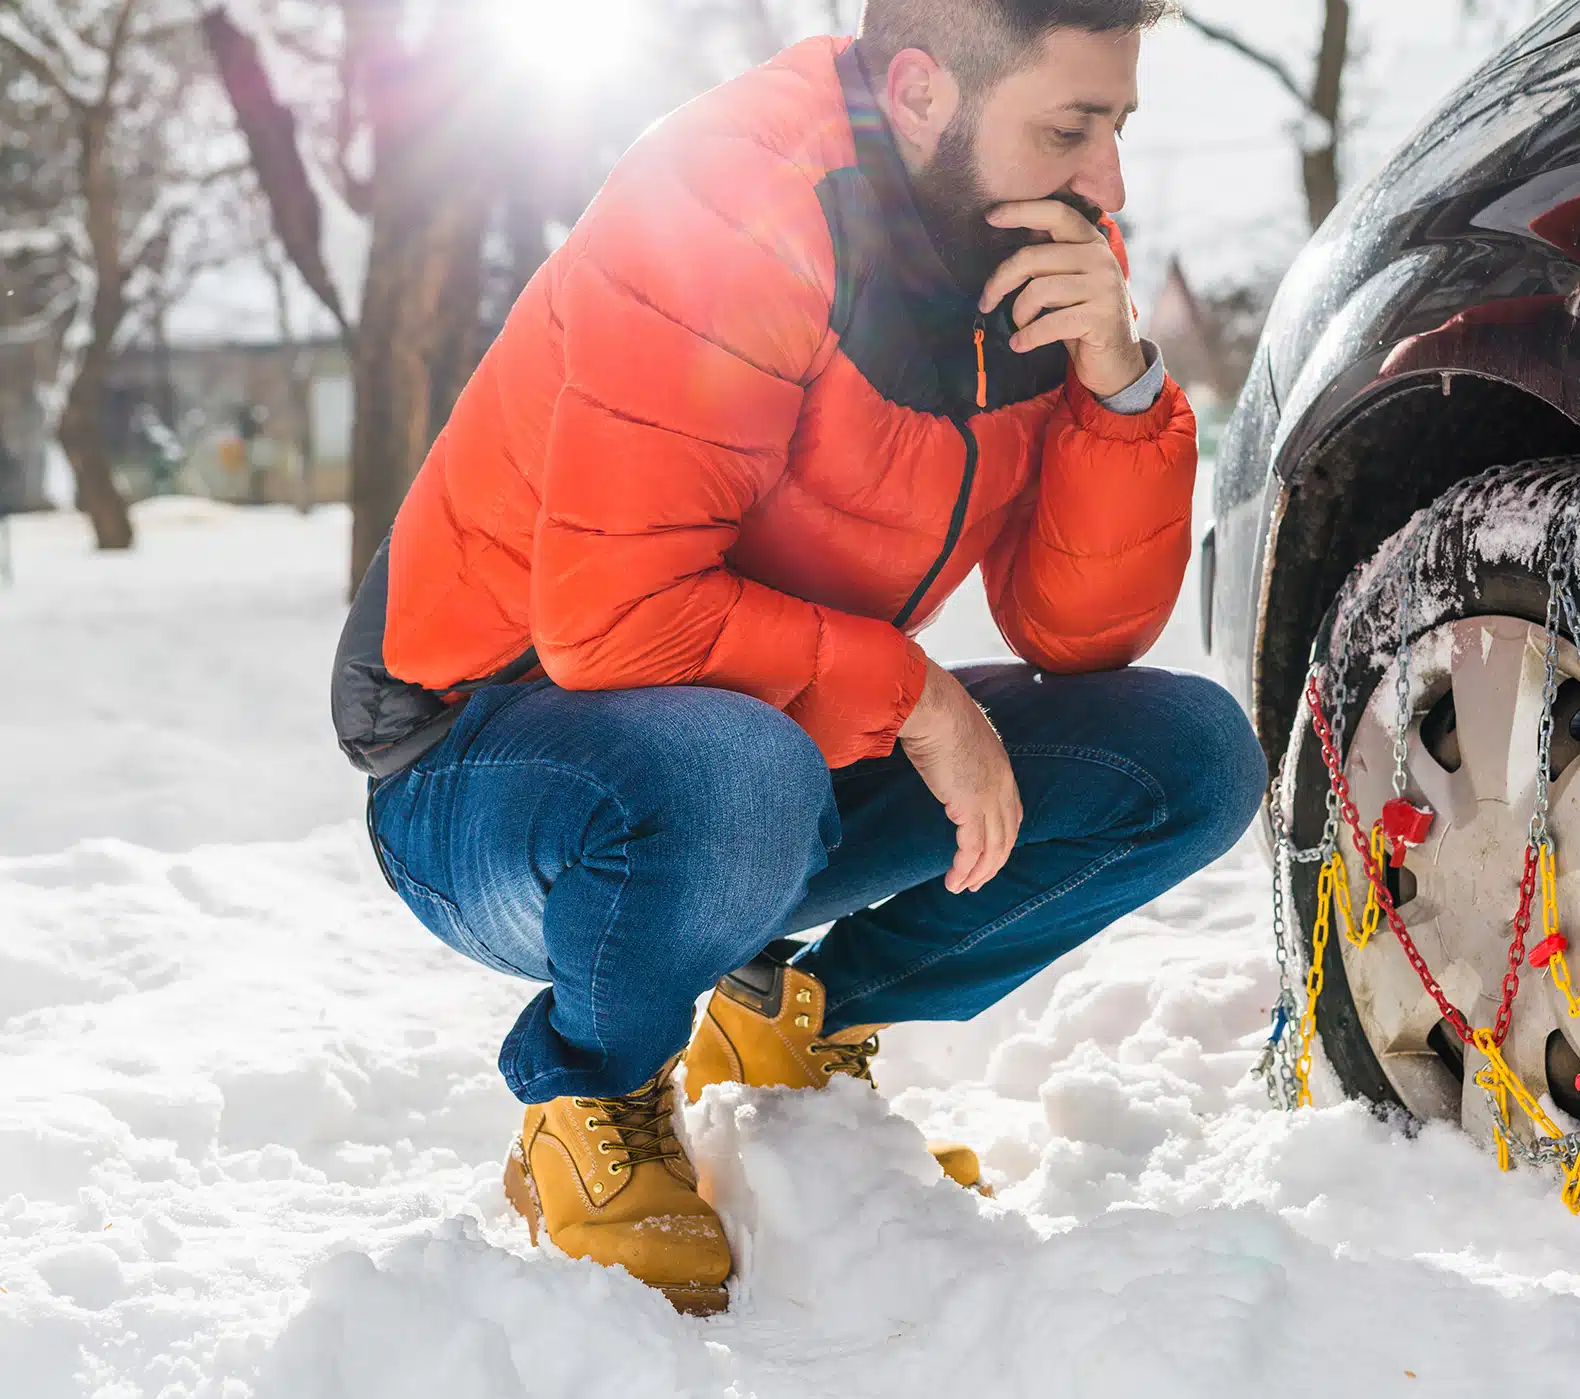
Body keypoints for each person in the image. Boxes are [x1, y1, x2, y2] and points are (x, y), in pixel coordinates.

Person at [330, 0, 1265, 1313]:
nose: (1107, 181)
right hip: (492, 757)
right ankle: (587, 1092)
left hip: (771, 732)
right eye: (1071, 127)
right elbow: (616, 621)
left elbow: (1078, 632)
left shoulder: (1041, 243)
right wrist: (919, 697)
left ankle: (788, 1013)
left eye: (1115, 126)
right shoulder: (728, 208)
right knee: (740, 778)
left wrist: (1118, 386)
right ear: (927, 95)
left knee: (1187, 759)